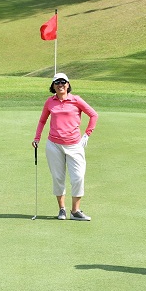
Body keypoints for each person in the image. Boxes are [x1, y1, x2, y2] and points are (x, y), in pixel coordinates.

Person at [33, 73, 98, 221]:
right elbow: (42, 121)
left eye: (63, 82)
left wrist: (87, 134)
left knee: (78, 177)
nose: (60, 85)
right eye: (57, 83)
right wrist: (37, 138)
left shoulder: (76, 100)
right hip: (54, 145)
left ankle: (75, 211)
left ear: (68, 85)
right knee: (58, 178)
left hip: (74, 145)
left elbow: (93, 115)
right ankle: (61, 209)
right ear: (53, 86)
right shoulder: (50, 102)